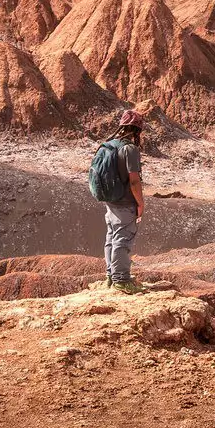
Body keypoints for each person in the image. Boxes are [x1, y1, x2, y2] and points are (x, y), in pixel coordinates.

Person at [90, 109, 146, 294]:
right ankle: (121, 280)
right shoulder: (130, 149)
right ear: (137, 129)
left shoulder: (108, 145)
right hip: (125, 203)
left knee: (111, 237)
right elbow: (134, 181)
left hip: (111, 201)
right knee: (122, 240)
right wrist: (140, 204)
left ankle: (110, 276)